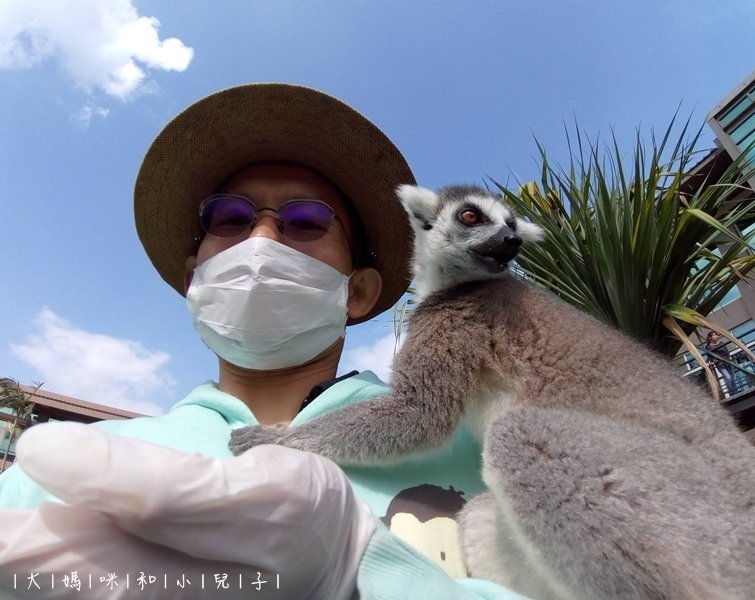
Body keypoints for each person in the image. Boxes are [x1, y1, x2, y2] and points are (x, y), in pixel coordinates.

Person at [0, 84, 527, 599]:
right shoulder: (56, 470)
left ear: (358, 292)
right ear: (194, 280)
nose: (260, 241)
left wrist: (367, 567)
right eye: (229, 218)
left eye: (306, 221)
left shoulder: (489, 453)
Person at [704, 331, 739, 396]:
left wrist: (730, 359)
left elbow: (727, 352)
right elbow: (709, 357)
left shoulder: (721, 343)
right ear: (710, 338)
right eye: (714, 335)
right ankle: (732, 393)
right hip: (720, 364)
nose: (716, 336)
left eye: (716, 335)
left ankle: (735, 391)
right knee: (728, 378)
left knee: (732, 377)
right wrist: (714, 360)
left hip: (728, 362)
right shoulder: (708, 347)